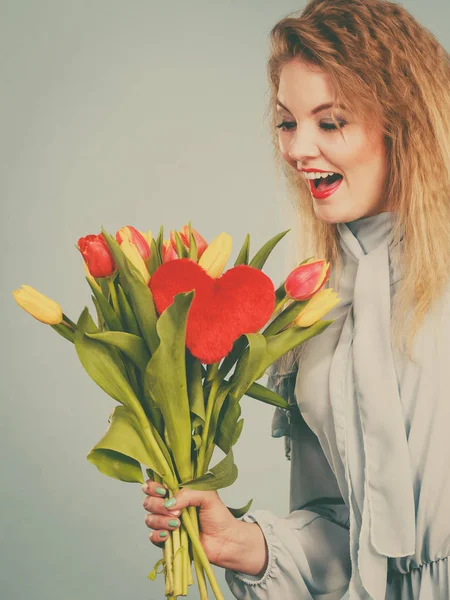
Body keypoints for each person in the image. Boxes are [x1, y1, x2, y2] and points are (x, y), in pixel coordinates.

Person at [141, 0, 450, 597]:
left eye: (330, 122)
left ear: (404, 123)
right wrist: (240, 543)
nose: (299, 149)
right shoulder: (312, 313)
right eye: (288, 122)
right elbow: (351, 536)